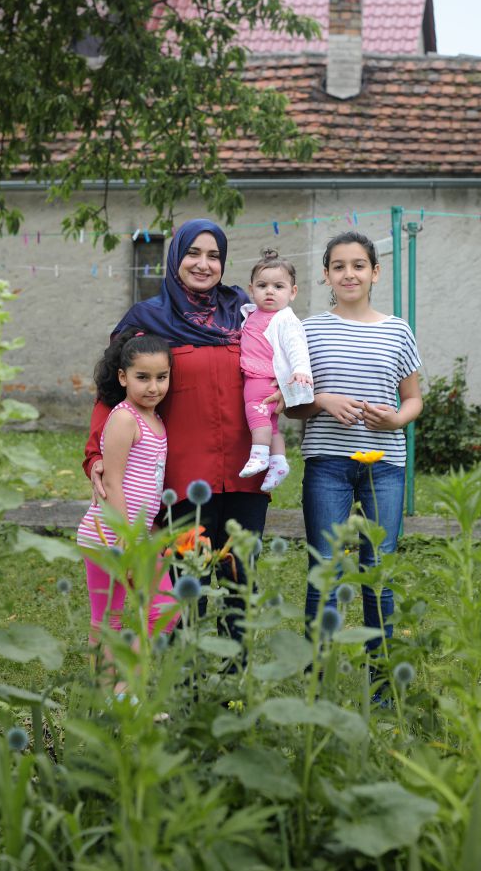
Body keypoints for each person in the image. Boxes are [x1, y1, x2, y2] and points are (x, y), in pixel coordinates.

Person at [84, 218, 269, 641]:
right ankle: (185, 690)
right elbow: (111, 392)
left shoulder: (247, 314)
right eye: (193, 253)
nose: (203, 265)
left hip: (245, 474)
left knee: (240, 582)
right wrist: (96, 456)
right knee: (187, 586)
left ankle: (232, 688)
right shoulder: (147, 319)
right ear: (175, 257)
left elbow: (276, 364)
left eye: (214, 256)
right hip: (181, 479)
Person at [286, 230, 423, 699]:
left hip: (386, 464)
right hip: (327, 464)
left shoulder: (397, 330)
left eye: (358, 265)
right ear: (326, 274)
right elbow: (293, 404)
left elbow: (413, 399)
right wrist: (323, 399)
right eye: (339, 265)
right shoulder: (307, 329)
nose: (349, 273)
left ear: (375, 272)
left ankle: (383, 690)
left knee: (377, 571)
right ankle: (315, 686)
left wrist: (394, 419)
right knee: (324, 569)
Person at [77, 328, 179, 694]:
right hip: (111, 536)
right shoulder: (124, 419)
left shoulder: (156, 420)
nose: (153, 387)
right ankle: (108, 696)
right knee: (109, 620)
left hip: (136, 535)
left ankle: (123, 688)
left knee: (165, 609)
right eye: (142, 378)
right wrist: (128, 535)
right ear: (122, 377)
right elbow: (113, 482)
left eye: (161, 377)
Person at [238, 248, 313, 491]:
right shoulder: (251, 314)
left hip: (264, 377)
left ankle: (259, 454)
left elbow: (296, 346)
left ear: (292, 292)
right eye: (262, 286)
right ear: (251, 290)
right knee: (270, 424)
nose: (270, 291)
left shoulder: (285, 319)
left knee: (255, 412)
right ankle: (279, 461)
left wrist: (300, 369)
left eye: (278, 287)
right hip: (254, 375)